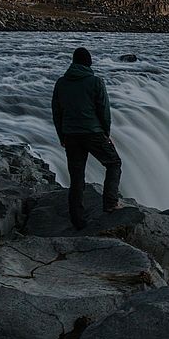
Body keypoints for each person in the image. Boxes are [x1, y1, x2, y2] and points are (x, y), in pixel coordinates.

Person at [51, 47, 123, 229]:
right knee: (113, 163)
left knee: (76, 176)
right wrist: (106, 134)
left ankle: (77, 219)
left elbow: (57, 112)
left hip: (71, 135)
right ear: (89, 63)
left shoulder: (61, 83)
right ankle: (110, 203)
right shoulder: (95, 82)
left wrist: (61, 136)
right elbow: (104, 111)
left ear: (73, 63)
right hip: (93, 132)